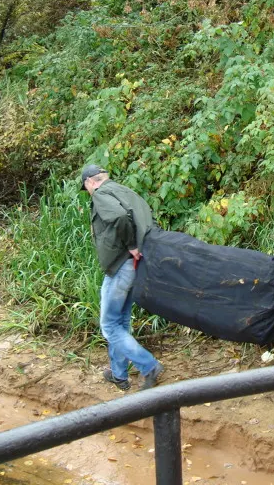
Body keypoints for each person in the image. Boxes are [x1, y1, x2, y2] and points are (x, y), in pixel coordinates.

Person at [81, 164, 164, 391]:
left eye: (86, 187)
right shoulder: (126, 191)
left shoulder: (101, 194)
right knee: (121, 321)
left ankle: (149, 366)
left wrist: (132, 246)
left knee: (109, 325)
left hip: (121, 265)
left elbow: (118, 217)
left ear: (90, 182)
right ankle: (119, 375)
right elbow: (148, 219)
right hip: (135, 265)